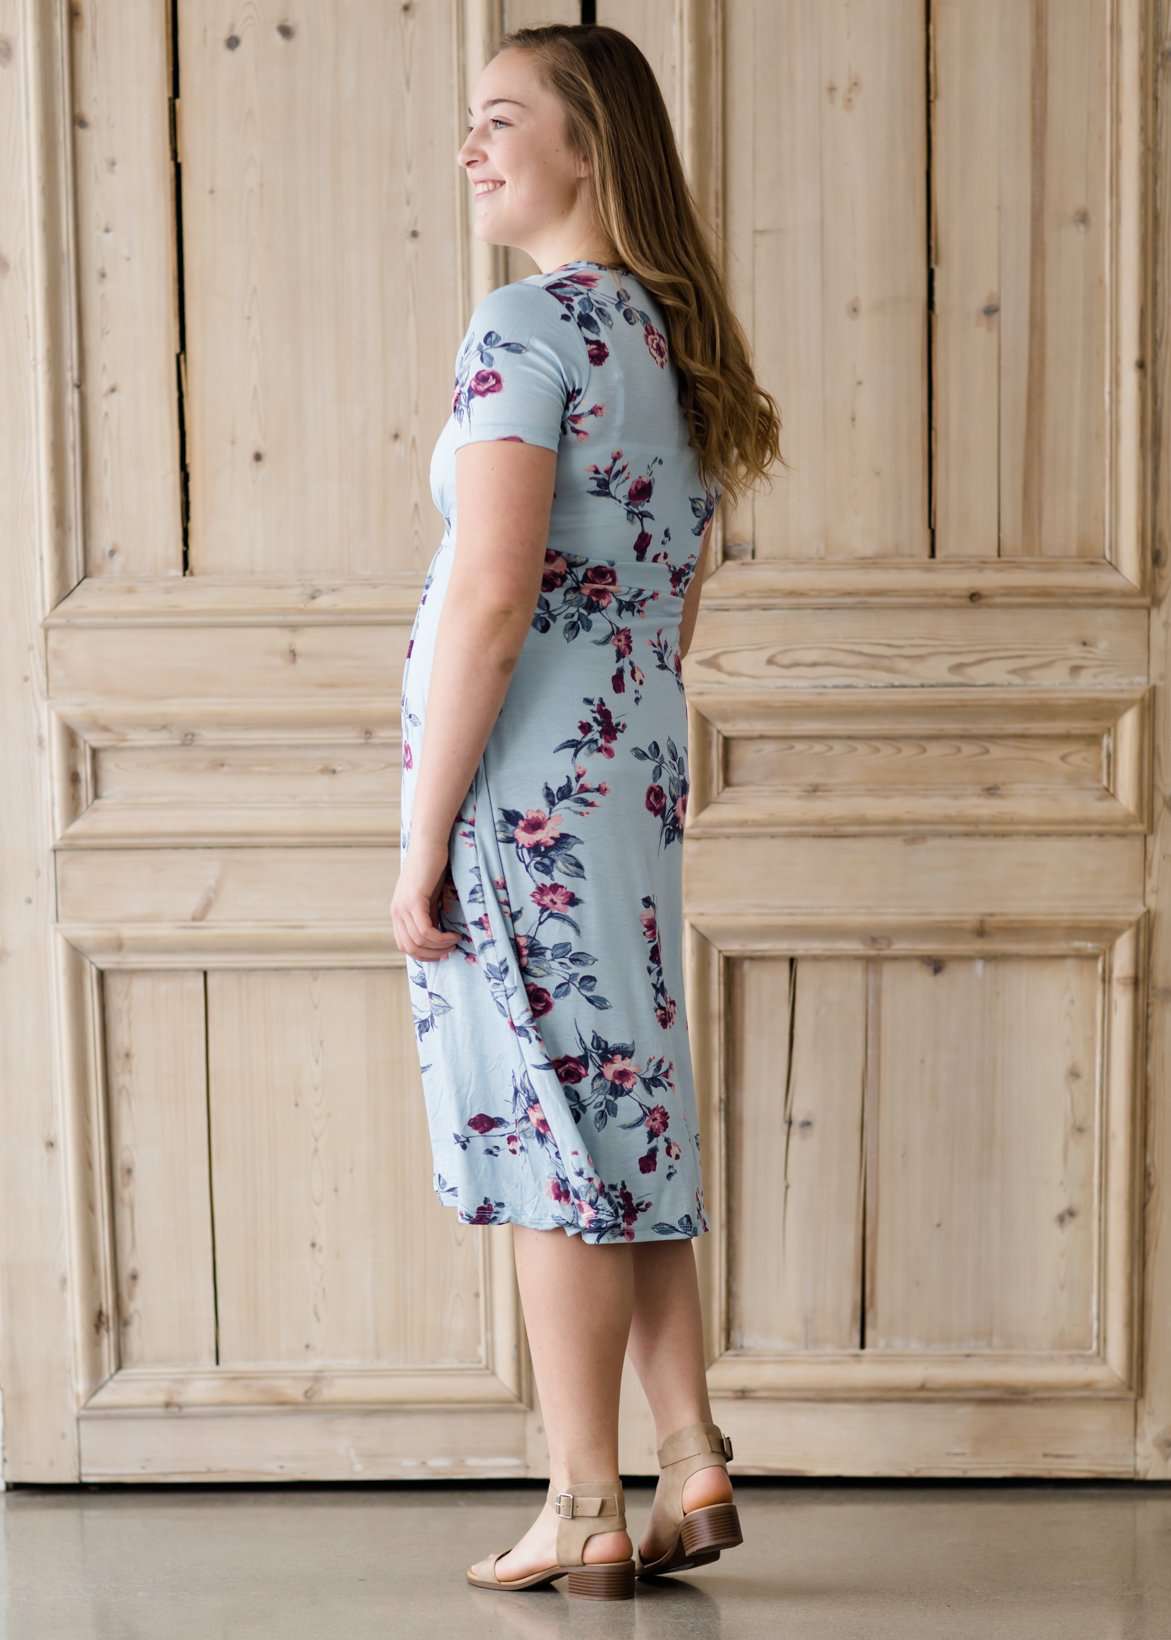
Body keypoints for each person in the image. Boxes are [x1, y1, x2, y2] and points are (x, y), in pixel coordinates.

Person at [390, 22, 783, 1599]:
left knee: (555, 1134)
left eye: (502, 121)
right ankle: (690, 1460)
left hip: (521, 802)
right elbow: (668, 614)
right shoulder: (682, 345)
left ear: (587, 147)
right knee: (625, 1112)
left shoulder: (523, 328)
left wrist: (426, 839)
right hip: (625, 782)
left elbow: (491, 600)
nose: (473, 150)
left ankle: (585, 1501)